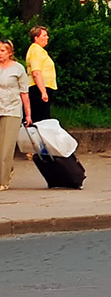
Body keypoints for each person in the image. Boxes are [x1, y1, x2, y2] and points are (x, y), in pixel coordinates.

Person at [0, 39, 33, 191]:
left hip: (12, 111)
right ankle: (8, 169)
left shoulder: (18, 69)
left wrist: (28, 114)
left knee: (6, 147)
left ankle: (3, 181)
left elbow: (24, 92)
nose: (0, 54)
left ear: (10, 53)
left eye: (2, 51)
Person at [25, 26, 56, 123]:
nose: (47, 37)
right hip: (38, 89)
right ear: (36, 38)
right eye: (44, 35)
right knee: (41, 119)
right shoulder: (35, 50)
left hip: (42, 88)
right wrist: (43, 91)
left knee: (43, 118)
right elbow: (36, 72)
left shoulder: (41, 51)